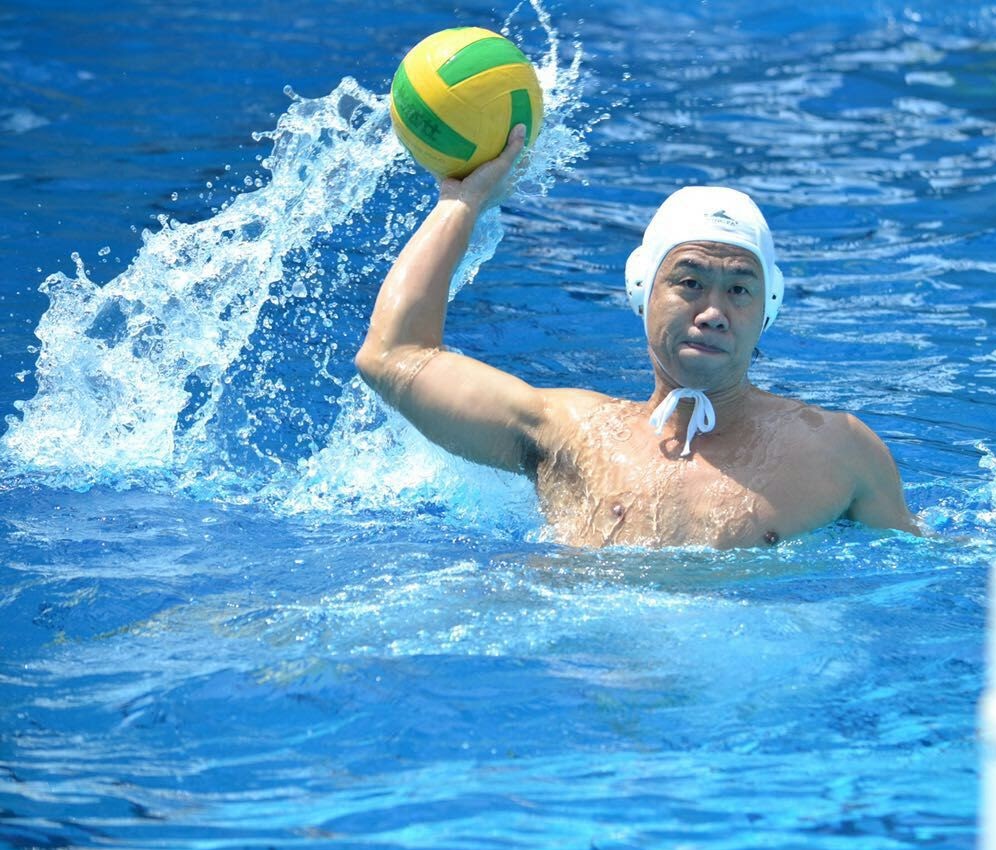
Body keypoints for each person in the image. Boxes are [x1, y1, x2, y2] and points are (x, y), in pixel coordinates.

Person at [356, 125, 919, 548]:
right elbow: (392, 356)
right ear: (642, 291)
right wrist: (461, 203)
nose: (714, 312)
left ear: (768, 308)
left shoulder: (838, 452)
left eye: (739, 289)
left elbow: (917, 569)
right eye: (690, 282)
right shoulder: (564, 435)